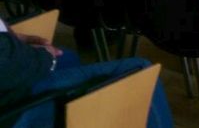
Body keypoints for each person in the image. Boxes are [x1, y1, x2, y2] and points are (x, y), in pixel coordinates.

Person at [0, 16, 173, 127]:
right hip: (12, 107)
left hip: (10, 65)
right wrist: (45, 56)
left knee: (69, 58)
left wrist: (13, 35)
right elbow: (7, 63)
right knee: (141, 68)